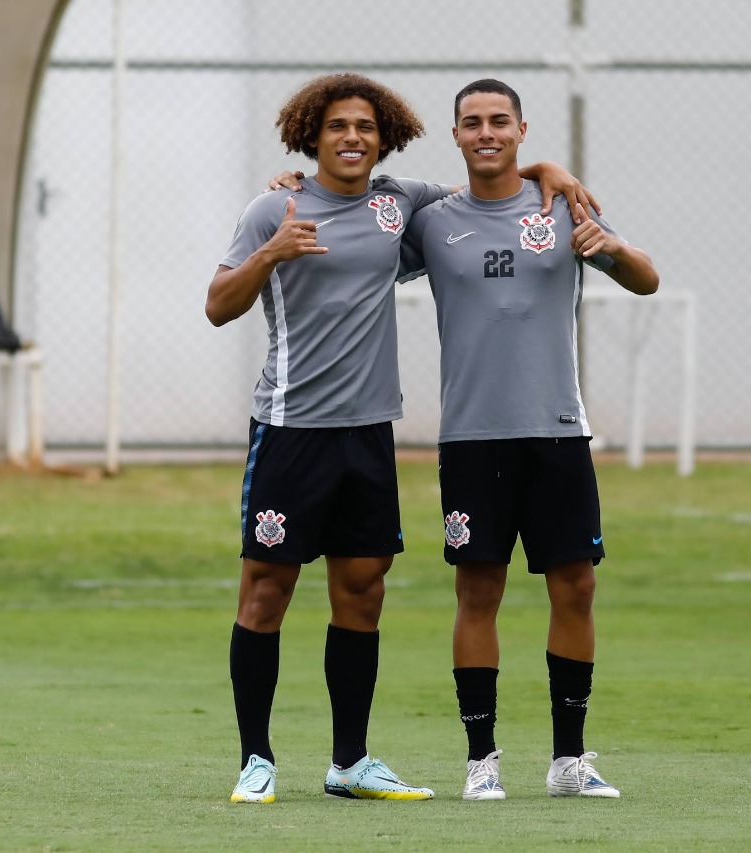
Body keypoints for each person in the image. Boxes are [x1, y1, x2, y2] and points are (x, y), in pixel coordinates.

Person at [208, 72, 594, 804]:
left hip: (368, 434)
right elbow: (217, 304)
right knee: (266, 591)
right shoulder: (272, 208)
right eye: (336, 127)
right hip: (290, 431)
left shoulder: (401, 205)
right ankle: (254, 758)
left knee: (363, 591)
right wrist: (270, 254)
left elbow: (487, 181)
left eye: (364, 127)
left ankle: (348, 760)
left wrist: (551, 170)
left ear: (384, 136)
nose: (351, 137)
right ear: (310, 136)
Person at [397, 78, 659, 801]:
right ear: (455, 135)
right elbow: (361, 240)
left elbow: (646, 278)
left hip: (556, 432)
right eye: (472, 122)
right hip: (473, 438)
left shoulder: (564, 204)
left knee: (576, 585)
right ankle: (482, 760)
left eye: (499, 121)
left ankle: (569, 760)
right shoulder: (432, 221)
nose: (486, 132)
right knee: (477, 590)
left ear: (521, 129)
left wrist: (608, 245)